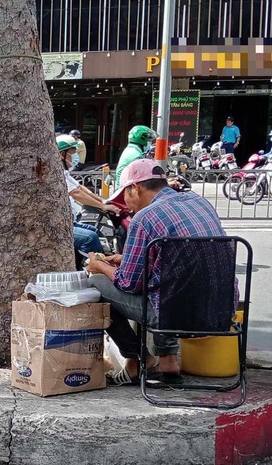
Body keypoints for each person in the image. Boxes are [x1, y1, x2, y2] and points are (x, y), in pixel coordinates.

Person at [84, 159, 228, 385]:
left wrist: (99, 266)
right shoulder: (200, 203)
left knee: (95, 284)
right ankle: (169, 360)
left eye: (125, 196)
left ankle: (138, 358)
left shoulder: (145, 218)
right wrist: (126, 259)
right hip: (221, 311)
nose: (126, 204)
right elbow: (181, 259)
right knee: (166, 282)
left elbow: (129, 284)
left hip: (175, 316)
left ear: (136, 188)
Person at [56, 134, 115, 255]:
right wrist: (103, 207)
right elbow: (76, 193)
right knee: (90, 238)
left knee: (95, 231)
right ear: (62, 155)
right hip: (58, 226)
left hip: (68, 220)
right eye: (73, 153)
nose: (75, 156)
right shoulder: (57, 175)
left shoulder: (65, 173)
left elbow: (80, 187)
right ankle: (92, 270)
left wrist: (102, 201)